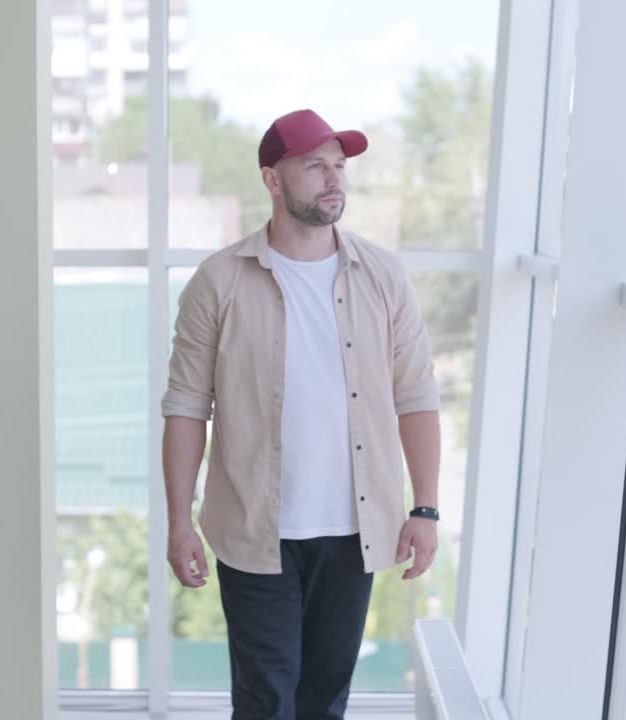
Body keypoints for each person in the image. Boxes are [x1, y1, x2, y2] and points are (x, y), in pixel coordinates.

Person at [161, 108, 442, 719]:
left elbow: (416, 395)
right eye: (314, 166)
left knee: (324, 699)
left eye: (339, 166)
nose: (333, 179)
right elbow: (186, 407)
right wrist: (178, 520)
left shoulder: (383, 276)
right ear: (272, 178)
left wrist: (424, 507)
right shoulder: (219, 282)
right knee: (265, 699)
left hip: (355, 532)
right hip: (256, 534)